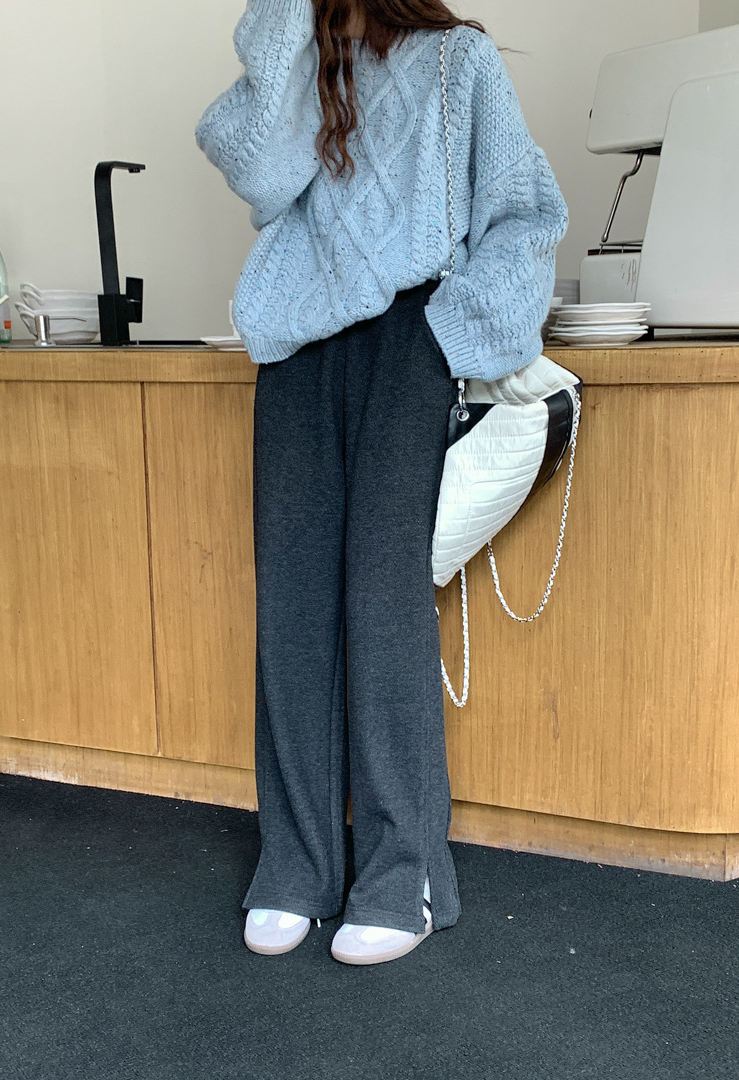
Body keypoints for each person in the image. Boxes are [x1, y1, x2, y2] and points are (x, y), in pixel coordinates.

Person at [195, 0, 568, 966]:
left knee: (384, 601)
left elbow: (527, 215)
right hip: (295, 351)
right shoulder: (300, 63)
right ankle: (297, 865)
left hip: (410, 340)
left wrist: (450, 337)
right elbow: (255, 168)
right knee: (293, 605)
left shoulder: (457, 62)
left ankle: (405, 875)